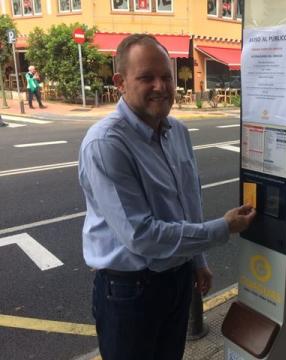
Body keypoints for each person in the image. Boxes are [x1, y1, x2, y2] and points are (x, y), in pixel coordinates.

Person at [78, 34, 256, 360]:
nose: (161, 86)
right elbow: (141, 235)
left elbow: (189, 200)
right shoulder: (106, 144)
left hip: (176, 280)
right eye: (146, 77)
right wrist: (223, 228)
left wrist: (197, 261)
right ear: (120, 82)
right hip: (129, 293)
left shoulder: (178, 132)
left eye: (166, 76)